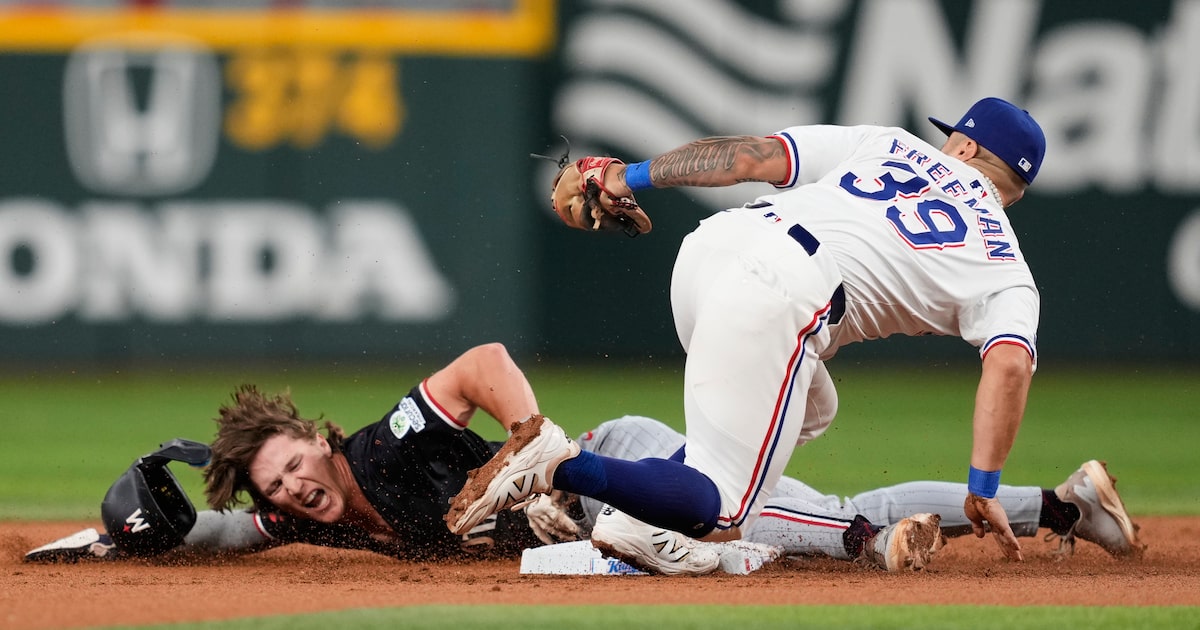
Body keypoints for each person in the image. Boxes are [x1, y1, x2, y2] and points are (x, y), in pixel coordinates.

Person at [445, 97, 1052, 574]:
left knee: (815, 408)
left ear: (967, 143)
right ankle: (562, 465)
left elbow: (751, 157)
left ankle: (642, 522)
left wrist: (627, 175)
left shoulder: (891, 145)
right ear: (1016, 191)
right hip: (784, 290)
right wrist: (983, 483)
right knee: (723, 512)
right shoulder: (1005, 265)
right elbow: (1009, 366)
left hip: (715, 249)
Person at [25, 347, 1143, 570]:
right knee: (794, 515)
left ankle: (870, 531)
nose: (293, 487)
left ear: (316, 438)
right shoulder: (318, 516)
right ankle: (1062, 501)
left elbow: (481, 358)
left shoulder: (386, 445)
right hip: (607, 511)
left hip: (623, 466)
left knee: (797, 526)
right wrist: (108, 534)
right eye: (277, 487)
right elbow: (217, 530)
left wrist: (524, 434)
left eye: (293, 465)